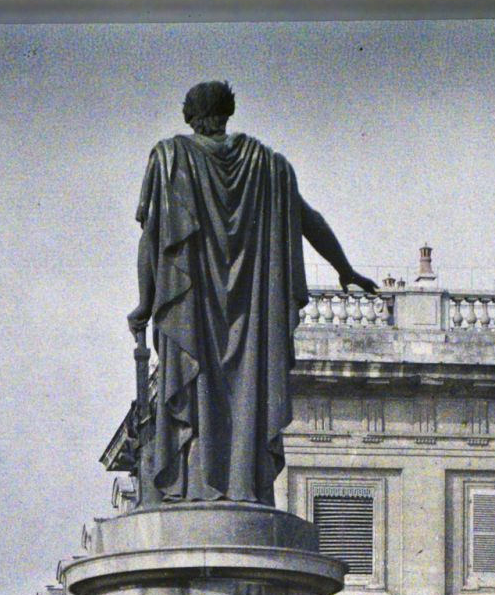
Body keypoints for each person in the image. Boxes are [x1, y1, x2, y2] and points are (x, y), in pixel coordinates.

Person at [130, 80, 379, 508]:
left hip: (193, 315)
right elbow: (308, 219)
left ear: (189, 115)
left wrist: (145, 303)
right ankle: (243, 485)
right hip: (250, 326)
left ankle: (196, 489)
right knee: (245, 400)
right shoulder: (269, 167)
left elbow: (154, 241)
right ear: (228, 111)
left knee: (196, 394)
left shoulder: (170, 158)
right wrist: (344, 267)